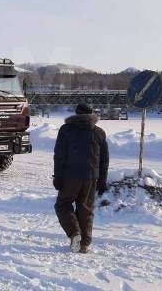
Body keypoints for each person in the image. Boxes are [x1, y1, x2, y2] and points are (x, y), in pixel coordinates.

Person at [53, 103, 109, 253]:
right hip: (91, 178)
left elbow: (59, 156)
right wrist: (102, 180)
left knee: (62, 205)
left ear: (76, 114)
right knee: (86, 209)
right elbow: (104, 160)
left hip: (70, 177)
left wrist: (58, 176)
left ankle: (74, 233)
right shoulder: (99, 133)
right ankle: (84, 244)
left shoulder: (66, 130)